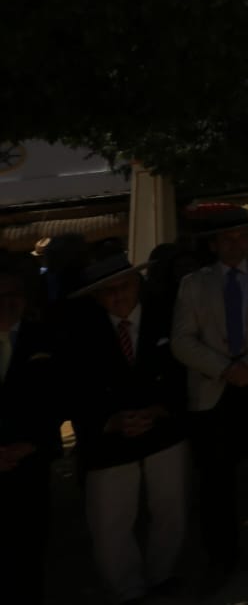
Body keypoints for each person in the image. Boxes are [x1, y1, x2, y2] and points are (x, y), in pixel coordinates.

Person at [171, 203, 248, 590]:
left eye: (241, 235)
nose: (234, 243)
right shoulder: (193, 285)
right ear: (213, 245)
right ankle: (222, 557)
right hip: (215, 392)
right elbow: (181, 340)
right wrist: (226, 367)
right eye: (226, 238)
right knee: (216, 482)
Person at [59, 251, 189, 604]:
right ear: (97, 296)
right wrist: (110, 421)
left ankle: (162, 574)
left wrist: (161, 409)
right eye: (108, 291)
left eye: (125, 287)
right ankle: (128, 589)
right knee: (111, 521)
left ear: (138, 285)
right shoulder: (80, 332)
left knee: (169, 507)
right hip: (109, 443)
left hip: (163, 431)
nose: (118, 297)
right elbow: (73, 389)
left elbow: (183, 370)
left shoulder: (164, 316)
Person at [0, 257, 61, 605]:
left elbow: (57, 399)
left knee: (29, 554)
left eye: (15, 294)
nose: (8, 303)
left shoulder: (44, 339)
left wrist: (33, 444)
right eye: (0, 295)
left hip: (30, 469)